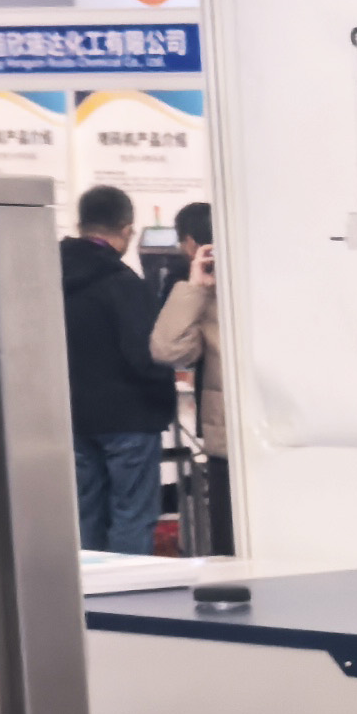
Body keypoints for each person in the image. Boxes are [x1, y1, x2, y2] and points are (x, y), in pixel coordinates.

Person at [59, 183, 175, 554]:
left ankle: (89, 587)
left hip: (73, 416)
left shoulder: (48, 279)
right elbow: (145, 354)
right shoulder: (124, 284)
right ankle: (128, 588)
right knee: (132, 515)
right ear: (126, 230)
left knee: (85, 514)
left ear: (80, 225)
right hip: (130, 418)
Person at [148, 199, 228, 526]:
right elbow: (167, 349)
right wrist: (196, 288)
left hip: (283, 438)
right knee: (229, 543)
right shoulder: (202, 294)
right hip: (226, 444)